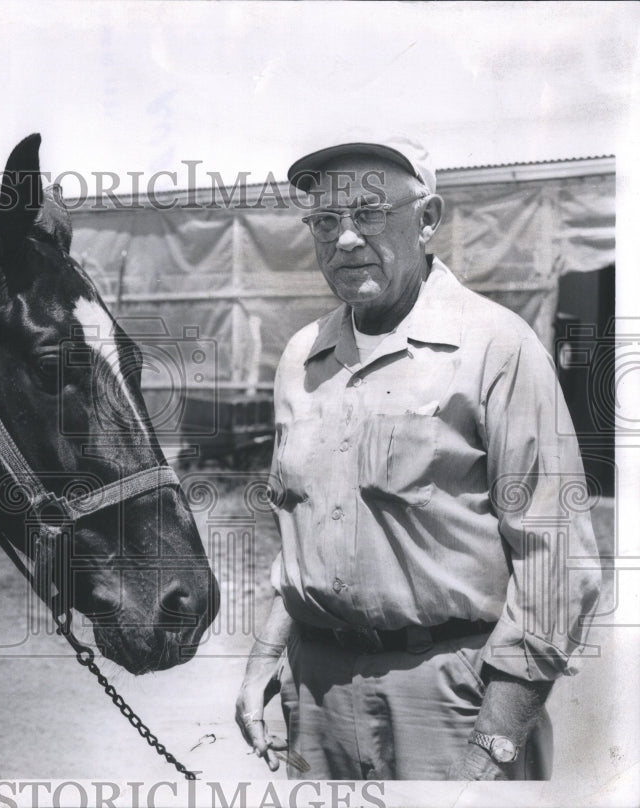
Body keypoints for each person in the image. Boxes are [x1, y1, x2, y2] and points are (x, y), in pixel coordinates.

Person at [235, 137, 602, 780]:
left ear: (427, 220)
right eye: (325, 220)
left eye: (370, 213)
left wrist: (495, 739)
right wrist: (265, 654)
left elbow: (557, 563)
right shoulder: (301, 358)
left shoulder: (495, 347)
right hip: (316, 696)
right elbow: (298, 529)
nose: (346, 239)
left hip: (454, 700)